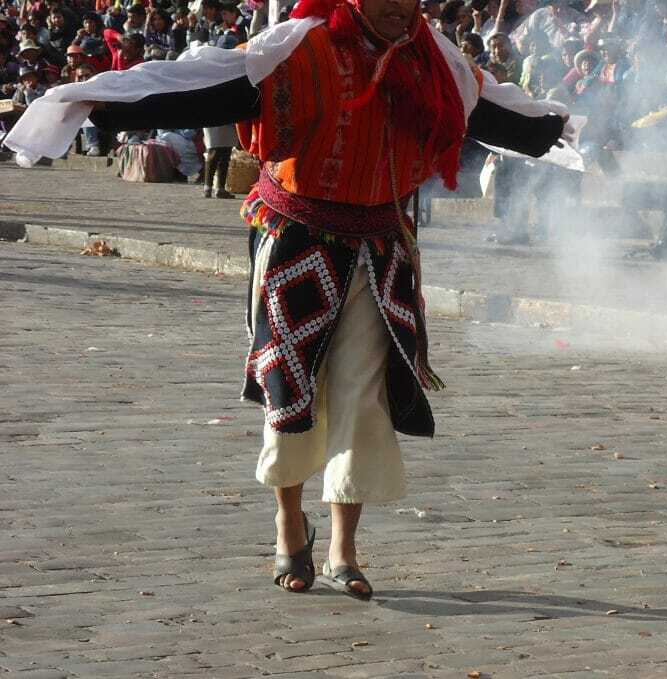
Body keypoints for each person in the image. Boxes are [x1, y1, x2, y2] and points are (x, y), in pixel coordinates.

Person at [5, 0, 568, 600]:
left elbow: (501, 110)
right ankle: (288, 522)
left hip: (382, 249)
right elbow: (199, 81)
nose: (401, 8)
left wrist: (562, 128)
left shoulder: (437, 61)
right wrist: (88, 98)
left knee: (365, 392)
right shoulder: (299, 48)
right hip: (298, 240)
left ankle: (344, 549)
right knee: (289, 384)